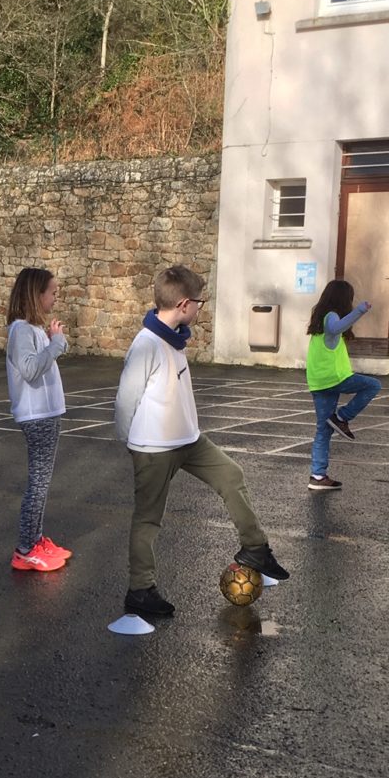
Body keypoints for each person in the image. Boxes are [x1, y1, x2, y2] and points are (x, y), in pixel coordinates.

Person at [114, 265, 289, 618]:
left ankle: (255, 548)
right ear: (182, 304)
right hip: (154, 449)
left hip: (189, 441)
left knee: (232, 475)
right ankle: (140, 590)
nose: (200, 308)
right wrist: (133, 446)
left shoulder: (174, 337)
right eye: (198, 302)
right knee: (148, 520)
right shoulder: (147, 344)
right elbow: (124, 401)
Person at [4, 267, 72, 572]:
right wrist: (55, 344)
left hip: (46, 413)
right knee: (38, 482)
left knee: (42, 482)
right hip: (36, 416)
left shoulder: (30, 330)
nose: (56, 298)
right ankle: (25, 549)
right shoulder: (19, 330)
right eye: (53, 292)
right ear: (36, 294)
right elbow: (30, 370)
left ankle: (35, 538)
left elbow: (39, 362)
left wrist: (52, 341)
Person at [303, 279, 382, 490]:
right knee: (373, 385)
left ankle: (318, 477)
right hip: (335, 379)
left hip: (318, 382)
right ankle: (342, 417)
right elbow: (337, 327)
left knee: (323, 429)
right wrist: (360, 310)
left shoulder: (319, 321)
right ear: (343, 299)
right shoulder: (331, 317)